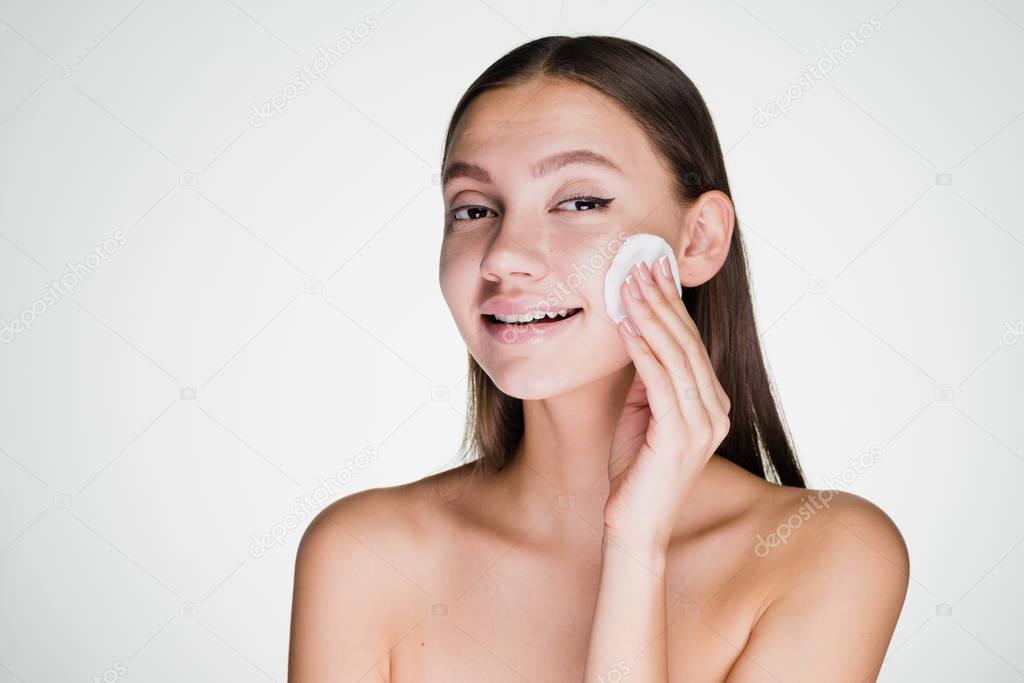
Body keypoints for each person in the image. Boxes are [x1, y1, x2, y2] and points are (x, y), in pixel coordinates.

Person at [288, 35, 909, 682]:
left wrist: (635, 544)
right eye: (473, 209)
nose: (503, 255)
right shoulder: (362, 554)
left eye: (580, 202)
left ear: (697, 239)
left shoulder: (830, 554)